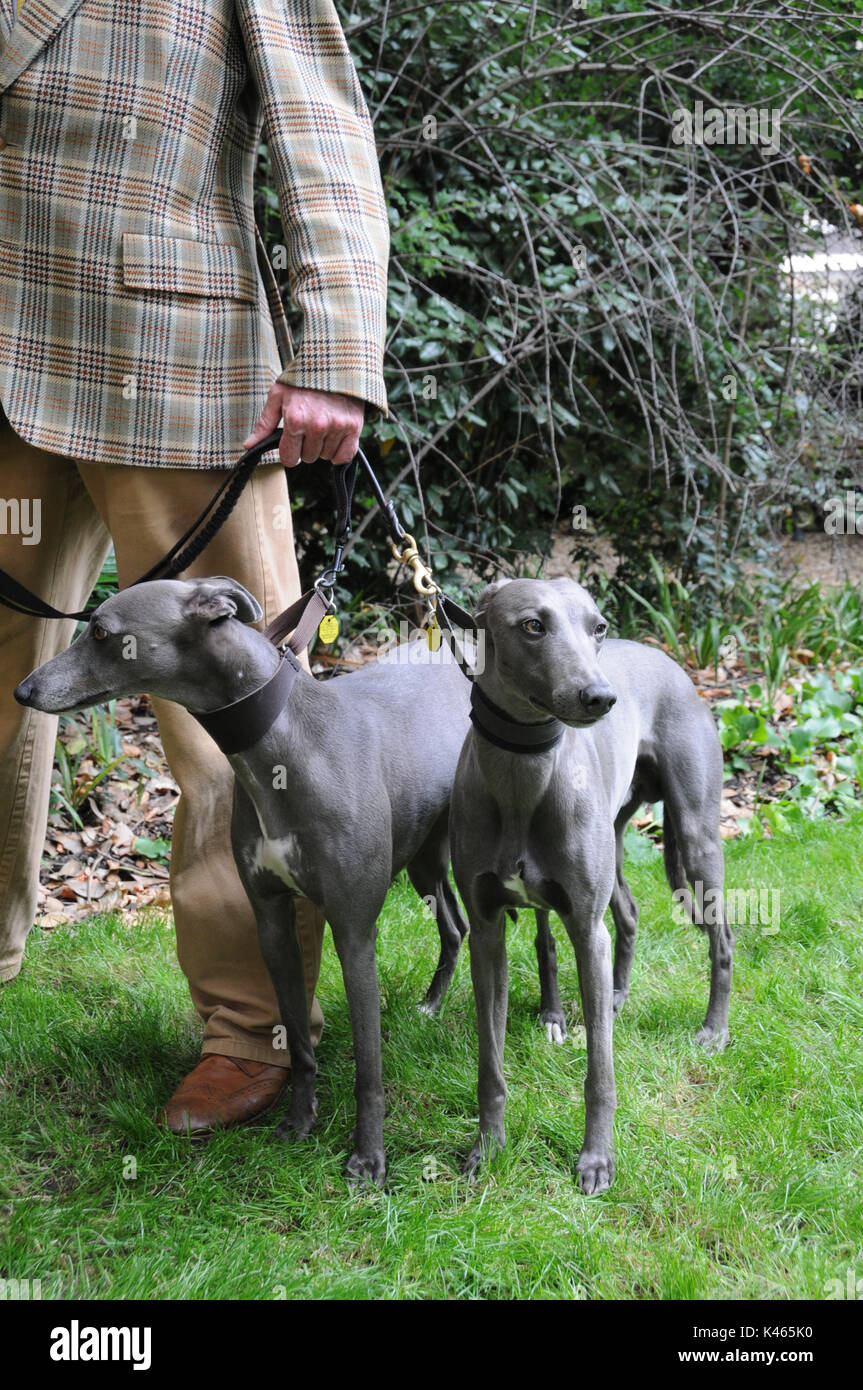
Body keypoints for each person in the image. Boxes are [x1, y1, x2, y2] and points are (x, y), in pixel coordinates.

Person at [0, 0, 389, 1133]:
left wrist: (335, 352)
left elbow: (323, 128)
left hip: (174, 359)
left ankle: (253, 1025)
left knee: (237, 718)